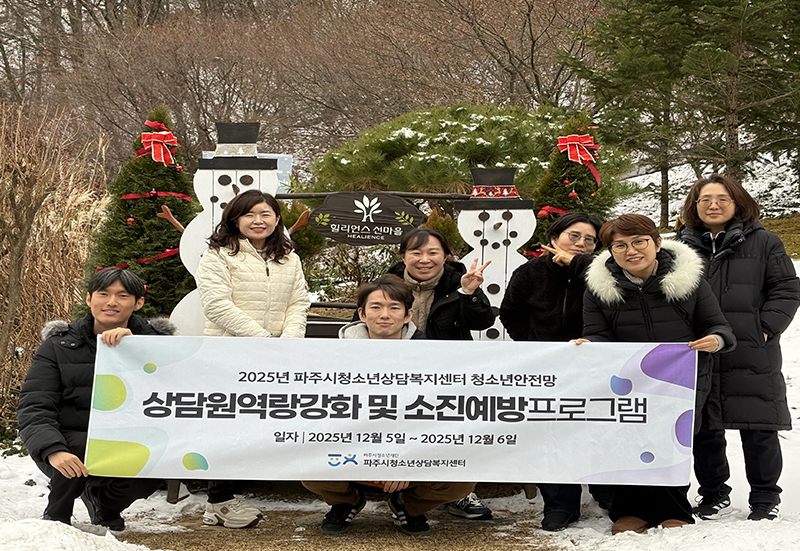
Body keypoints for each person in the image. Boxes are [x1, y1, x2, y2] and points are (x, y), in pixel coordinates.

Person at [575, 214, 735, 534]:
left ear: (657, 243)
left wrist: (715, 340)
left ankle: (673, 509)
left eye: (639, 242)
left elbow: (719, 326)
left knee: (672, 440)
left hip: (682, 378)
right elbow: (597, 333)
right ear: (611, 251)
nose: (631, 251)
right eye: (620, 245)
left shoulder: (688, 280)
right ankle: (630, 510)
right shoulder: (599, 287)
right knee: (627, 438)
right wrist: (589, 344)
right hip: (628, 380)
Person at [302, 275, 475, 535]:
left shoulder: (434, 358)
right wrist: (367, 458)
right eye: (376, 307)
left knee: (461, 481)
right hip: (351, 453)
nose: (385, 315)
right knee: (306, 465)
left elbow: (438, 421)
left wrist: (405, 463)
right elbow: (325, 419)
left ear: (407, 315)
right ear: (362, 314)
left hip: (414, 456)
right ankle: (346, 501)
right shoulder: (333, 358)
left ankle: (408, 505)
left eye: (394, 307)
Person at [676, 174, 799, 521]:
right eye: (705, 200)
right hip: (700, 349)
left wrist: (764, 329)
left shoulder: (765, 242)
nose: (713, 205)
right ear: (694, 206)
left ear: (737, 203)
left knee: (758, 426)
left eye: (722, 199)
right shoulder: (680, 246)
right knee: (705, 427)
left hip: (751, 349)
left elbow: (786, 289)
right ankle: (714, 492)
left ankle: (765, 496)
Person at [18, 268, 172, 532]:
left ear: (138, 303)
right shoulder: (58, 346)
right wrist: (52, 449)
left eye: (122, 295)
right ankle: (56, 518)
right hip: (69, 443)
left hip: (128, 438)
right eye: (103, 294)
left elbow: (172, 398)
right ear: (89, 299)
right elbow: (35, 405)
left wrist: (138, 349)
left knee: (157, 463)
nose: (111, 302)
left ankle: (105, 505)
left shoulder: (160, 345)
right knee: (79, 445)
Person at [195, 189, 311, 528]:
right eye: (249, 214)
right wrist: (263, 341)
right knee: (227, 426)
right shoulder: (217, 255)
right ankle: (221, 499)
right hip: (229, 354)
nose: (258, 221)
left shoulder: (289, 258)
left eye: (265, 214)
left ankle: (221, 501)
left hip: (275, 356)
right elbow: (216, 305)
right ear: (234, 219)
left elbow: (298, 303)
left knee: (256, 427)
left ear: (277, 219)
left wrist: (288, 342)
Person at [499, 212, 614, 531]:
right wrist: (533, 344)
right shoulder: (530, 272)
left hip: (595, 362)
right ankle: (560, 503)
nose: (581, 243)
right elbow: (510, 313)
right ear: (554, 238)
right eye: (573, 236)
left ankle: (608, 494)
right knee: (552, 431)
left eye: (589, 240)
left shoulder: (600, 272)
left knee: (599, 426)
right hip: (546, 365)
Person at [385, 227, 495, 519]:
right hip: (396, 374)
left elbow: (482, 322)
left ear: (446, 256)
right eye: (416, 252)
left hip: (448, 375)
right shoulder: (387, 284)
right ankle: (395, 484)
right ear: (403, 256)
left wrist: (469, 293)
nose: (425, 259)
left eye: (433, 252)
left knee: (453, 432)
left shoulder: (459, 281)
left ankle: (459, 492)